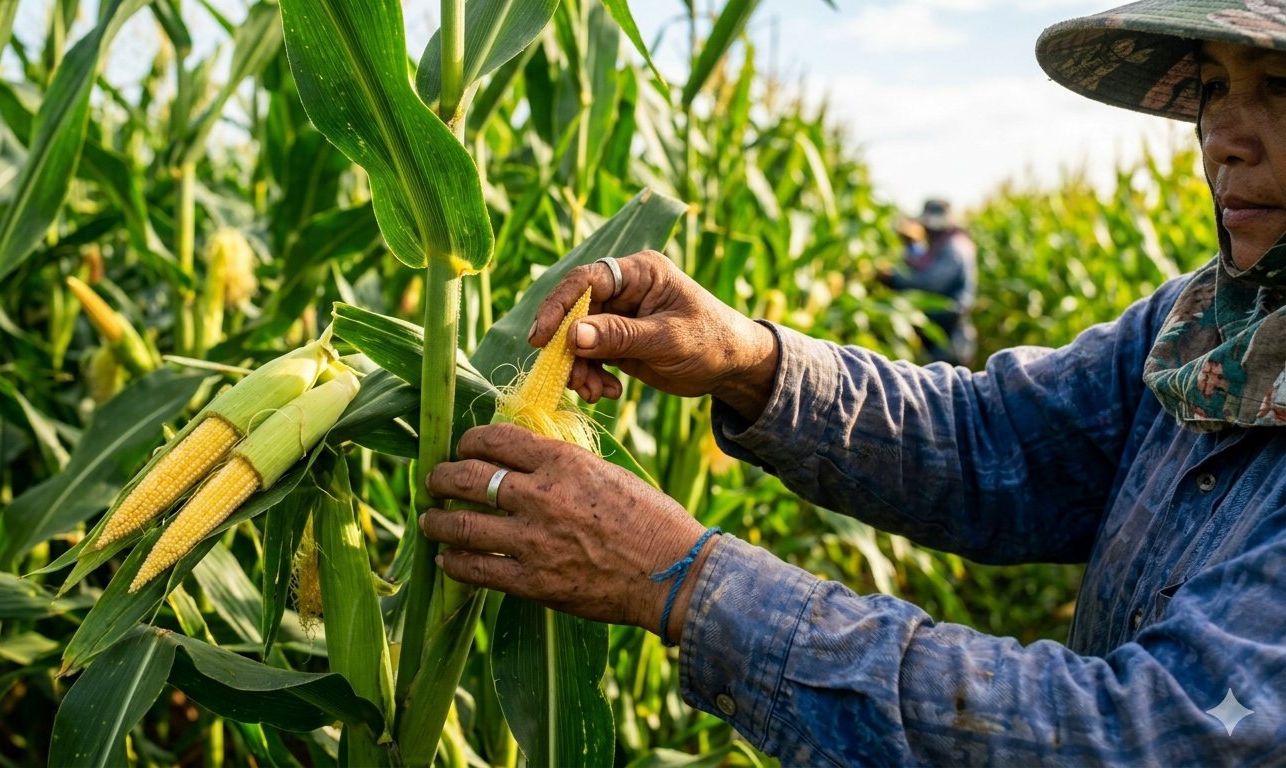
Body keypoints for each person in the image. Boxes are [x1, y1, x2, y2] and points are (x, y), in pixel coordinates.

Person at [420, 1, 1286, 763]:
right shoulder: (1206, 327)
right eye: (1212, 88)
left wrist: (686, 581)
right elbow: (997, 443)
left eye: (1280, 86)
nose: (1223, 140)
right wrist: (750, 361)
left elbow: (1141, 738)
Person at [880, 199, 979, 366]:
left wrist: (893, 278)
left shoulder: (954, 248)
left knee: (945, 385)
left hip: (950, 336)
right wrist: (909, 245)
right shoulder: (942, 245)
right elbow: (920, 260)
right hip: (942, 331)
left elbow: (931, 283)